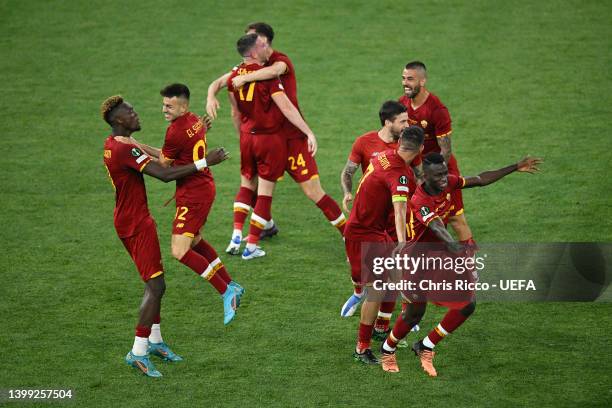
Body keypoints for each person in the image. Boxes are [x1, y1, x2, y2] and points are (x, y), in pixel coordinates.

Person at [379, 152, 543, 375]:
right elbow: (436, 226)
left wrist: (514, 166)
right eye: (439, 176)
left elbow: (479, 179)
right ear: (426, 176)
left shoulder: (447, 183)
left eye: (445, 173)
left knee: (467, 303)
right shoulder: (420, 201)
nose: (445, 179)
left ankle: (425, 345)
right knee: (414, 314)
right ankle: (388, 349)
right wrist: (455, 247)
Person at [101, 95, 229, 377]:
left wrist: (194, 136)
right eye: (130, 112)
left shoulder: (118, 145)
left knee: (155, 282)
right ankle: (137, 351)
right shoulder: (125, 150)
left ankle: (155, 342)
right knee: (156, 286)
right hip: (135, 224)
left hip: (130, 219)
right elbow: (164, 174)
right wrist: (205, 162)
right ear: (118, 120)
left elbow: (165, 157)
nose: (136, 114)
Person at [207, 23, 346, 256]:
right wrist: (211, 95)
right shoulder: (251, 67)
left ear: (264, 41)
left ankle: (347, 231)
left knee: (312, 191)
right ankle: (266, 227)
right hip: (267, 140)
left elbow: (272, 72)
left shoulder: (281, 62)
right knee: (255, 187)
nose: (250, 42)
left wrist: (243, 78)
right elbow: (220, 82)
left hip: (292, 140)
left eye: (254, 38)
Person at [138, 83, 243, 326]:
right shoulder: (195, 120)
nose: (164, 109)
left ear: (182, 105)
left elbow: (164, 164)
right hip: (202, 187)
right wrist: (140, 146)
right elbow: (172, 153)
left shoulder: (175, 131)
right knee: (194, 241)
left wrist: (136, 147)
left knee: (180, 250)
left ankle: (226, 292)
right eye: (163, 104)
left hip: (193, 194)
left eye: (169, 105)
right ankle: (231, 284)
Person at [339, 101, 419, 337]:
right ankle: (358, 298)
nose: (407, 124)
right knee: (371, 278)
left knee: (393, 275)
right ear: (388, 122)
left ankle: (393, 320)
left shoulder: (404, 147)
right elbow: (348, 172)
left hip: (392, 220)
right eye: (403, 121)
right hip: (370, 220)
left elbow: (414, 181)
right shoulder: (367, 144)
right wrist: (347, 192)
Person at [346, 126, 424, 365]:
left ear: (400, 141)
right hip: (365, 235)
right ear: (420, 149)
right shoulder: (399, 174)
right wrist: (402, 242)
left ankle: (384, 328)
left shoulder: (382, 155)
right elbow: (400, 209)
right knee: (377, 290)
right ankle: (362, 349)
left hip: (369, 229)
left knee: (396, 279)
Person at [399, 61, 475, 245]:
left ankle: (471, 269)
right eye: (403, 78)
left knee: (456, 219)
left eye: (410, 79)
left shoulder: (437, 110)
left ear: (422, 81)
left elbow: (446, 151)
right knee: (416, 218)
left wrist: (431, 175)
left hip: (441, 170)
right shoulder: (402, 104)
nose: (405, 83)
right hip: (417, 169)